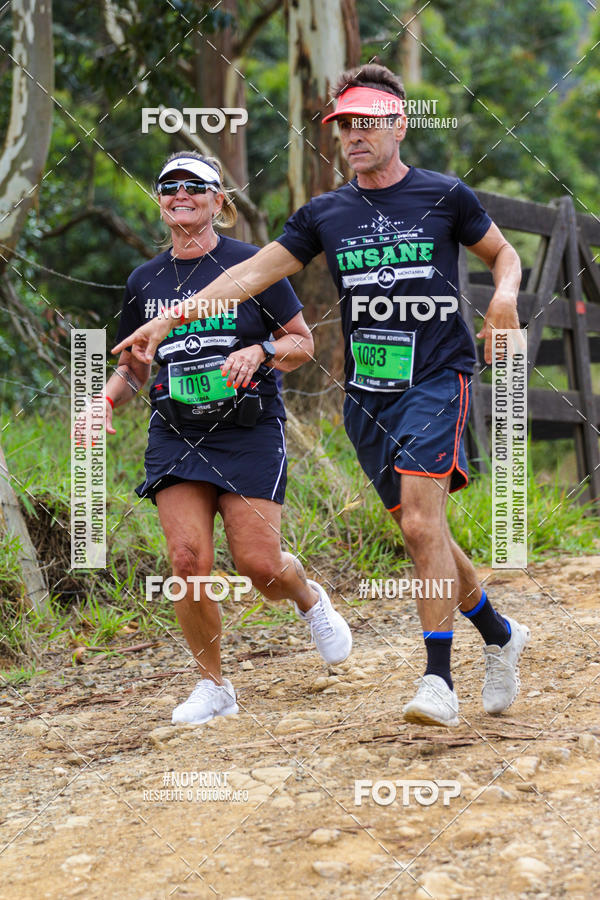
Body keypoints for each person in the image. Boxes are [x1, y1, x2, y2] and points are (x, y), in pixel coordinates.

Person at [113, 67, 530, 728]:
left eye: (368, 122)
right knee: (424, 531)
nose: (354, 136)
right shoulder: (325, 214)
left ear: (399, 123)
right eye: (343, 125)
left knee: (423, 525)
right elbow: (250, 274)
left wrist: (504, 297)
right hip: (369, 393)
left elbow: (502, 254)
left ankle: (438, 680)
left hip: (436, 375)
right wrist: (169, 319)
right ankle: (501, 633)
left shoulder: (444, 196)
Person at [107, 151, 351, 726]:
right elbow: (135, 364)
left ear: (221, 201)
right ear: (160, 201)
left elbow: (302, 344)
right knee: (187, 561)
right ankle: (214, 686)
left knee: (259, 564)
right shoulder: (145, 280)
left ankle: (308, 599)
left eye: (196, 186)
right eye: (169, 186)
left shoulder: (251, 265)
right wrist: (104, 399)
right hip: (176, 432)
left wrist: (260, 349)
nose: (180, 194)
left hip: (247, 430)